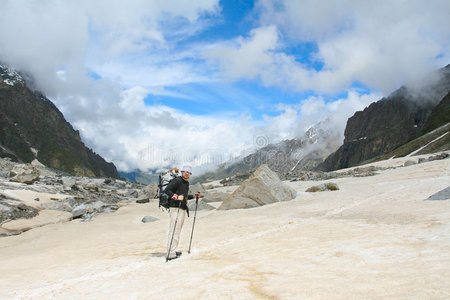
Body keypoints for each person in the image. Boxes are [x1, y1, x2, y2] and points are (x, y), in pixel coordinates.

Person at [163, 165, 200, 260]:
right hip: (175, 208)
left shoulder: (185, 183)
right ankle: (170, 254)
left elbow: (184, 196)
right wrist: (175, 196)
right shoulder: (177, 181)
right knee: (174, 230)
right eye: (185, 171)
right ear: (182, 172)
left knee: (177, 230)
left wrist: (193, 197)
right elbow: (167, 190)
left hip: (182, 208)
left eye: (189, 172)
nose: (187, 173)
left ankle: (173, 250)